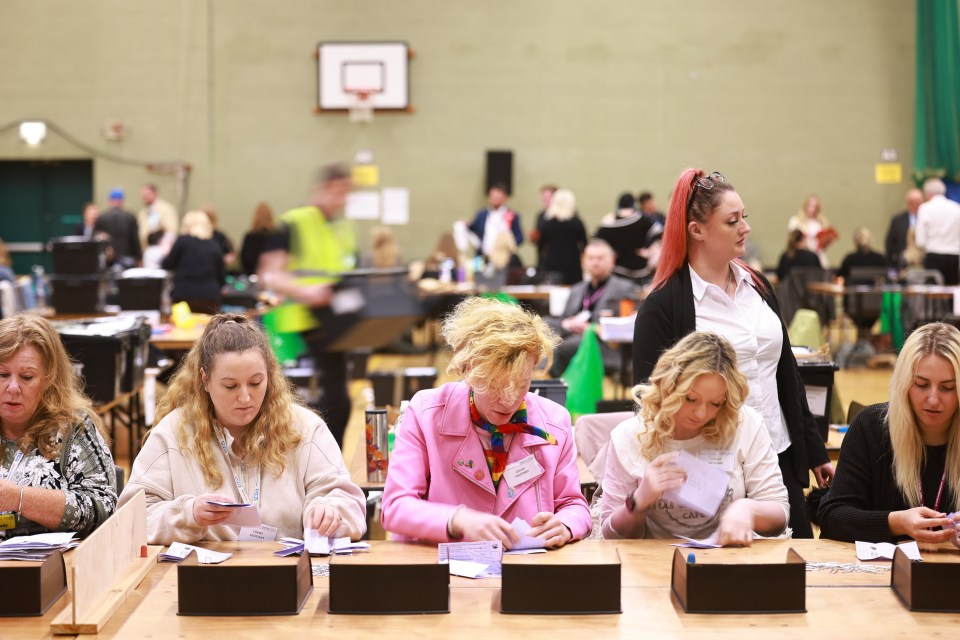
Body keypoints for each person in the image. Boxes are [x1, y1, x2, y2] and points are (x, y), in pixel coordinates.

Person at [633, 168, 834, 539]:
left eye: (745, 217)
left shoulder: (757, 284)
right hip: (712, 466)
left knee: (796, 564)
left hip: (779, 452)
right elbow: (649, 402)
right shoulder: (663, 306)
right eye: (732, 220)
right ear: (697, 230)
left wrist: (816, 450)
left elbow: (785, 373)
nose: (745, 227)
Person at [118, 314, 366, 545]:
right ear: (205, 380)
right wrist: (188, 514)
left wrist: (329, 511)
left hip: (288, 577)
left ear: (269, 375)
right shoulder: (173, 433)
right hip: (202, 581)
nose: (246, 397)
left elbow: (350, 506)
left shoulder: (304, 428)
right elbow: (131, 520)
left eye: (256, 383)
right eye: (230, 386)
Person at [381, 297, 591, 548]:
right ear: (466, 368)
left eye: (522, 384)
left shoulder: (555, 421)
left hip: (527, 572)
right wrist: (457, 519)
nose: (509, 400)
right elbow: (395, 507)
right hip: (441, 570)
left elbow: (574, 505)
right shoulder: (427, 413)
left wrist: (565, 525)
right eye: (494, 385)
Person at [601, 332, 789, 544]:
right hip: (653, 565)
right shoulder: (630, 436)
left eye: (715, 403)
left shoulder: (745, 424)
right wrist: (639, 501)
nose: (701, 414)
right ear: (668, 386)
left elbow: (779, 514)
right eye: (690, 399)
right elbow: (612, 535)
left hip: (730, 559)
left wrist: (749, 510)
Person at [818, 322, 960, 545]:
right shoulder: (870, 427)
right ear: (904, 383)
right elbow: (832, 517)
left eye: (948, 387)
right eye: (921, 384)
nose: (933, 400)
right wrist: (897, 523)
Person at [258, 163, 357, 447]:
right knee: (306, 406)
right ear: (324, 189)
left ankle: (328, 466)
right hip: (298, 330)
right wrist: (306, 291)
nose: (343, 200)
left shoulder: (340, 227)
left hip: (333, 327)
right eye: (339, 192)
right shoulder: (295, 222)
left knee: (339, 403)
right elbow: (270, 273)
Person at [0, 314, 117, 538]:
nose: (13, 387)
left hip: (53, 568)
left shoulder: (74, 427)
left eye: (26, 377)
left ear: (49, 380)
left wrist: (19, 498)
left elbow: (104, 508)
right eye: (2, 374)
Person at [548, 239, 636, 377]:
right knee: (544, 335)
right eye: (591, 258)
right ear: (584, 262)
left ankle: (554, 390)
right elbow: (563, 318)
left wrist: (591, 328)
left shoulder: (624, 289)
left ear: (612, 261)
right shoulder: (577, 289)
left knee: (563, 348)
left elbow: (628, 325)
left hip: (604, 345)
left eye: (600, 258)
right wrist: (567, 324)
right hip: (571, 336)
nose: (595, 262)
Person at [161, 210, 225, 315]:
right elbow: (221, 278)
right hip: (210, 297)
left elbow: (167, 264)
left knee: (182, 330)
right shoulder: (214, 246)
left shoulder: (182, 241)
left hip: (183, 295)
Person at [596, 192, 662, 284]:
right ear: (634, 204)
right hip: (640, 270)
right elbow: (660, 234)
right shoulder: (642, 219)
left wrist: (611, 254)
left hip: (618, 272)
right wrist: (649, 252)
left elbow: (596, 242)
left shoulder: (609, 224)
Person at [536, 188, 587, 285]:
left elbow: (540, 246)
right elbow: (584, 244)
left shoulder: (547, 223)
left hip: (552, 265)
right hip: (572, 265)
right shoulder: (577, 223)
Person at [915, 178, 960, 286]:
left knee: (932, 295)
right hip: (953, 257)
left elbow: (920, 241)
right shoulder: (956, 208)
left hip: (933, 256)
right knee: (951, 293)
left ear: (928, 193)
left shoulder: (925, 208)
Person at [466, 184, 523, 262]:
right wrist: (466, 225)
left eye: (498, 197)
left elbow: (519, 237)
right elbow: (474, 230)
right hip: (483, 256)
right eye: (493, 196)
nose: (495, 199)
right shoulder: (482, 214)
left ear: (505, 198)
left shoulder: (511, 215)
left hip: (503, 258)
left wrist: (508, 246)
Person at [94, 188, 142, 268]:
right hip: (128, 259)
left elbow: (95, 239)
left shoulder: (101, 218)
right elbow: (135, 240)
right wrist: (139, 258)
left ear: (109, 201)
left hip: (109, 259)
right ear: (122, 202)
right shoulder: (130, 217)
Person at [787, 194, 835, 268]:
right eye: (810, 206)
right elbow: (792, 240)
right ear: (805, 206)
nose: (813, 209)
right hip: (800, 258)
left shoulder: (821, 222)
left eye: (816, 207)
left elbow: (821, 246)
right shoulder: (796, 221)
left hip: (816, 256)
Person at [885, 188, 924, 271]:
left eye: (918, 203)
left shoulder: (927, 219)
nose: (916, 206)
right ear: (908, 203)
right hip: (903, 264)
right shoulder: (897, 220)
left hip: (923, 262)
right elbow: (890, 244)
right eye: (912, 203)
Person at [138, 183, 179, 250]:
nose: (144, 197)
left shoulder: (166, 209)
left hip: (160, 250)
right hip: (146, 249)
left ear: (155, 193)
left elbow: (171, 231)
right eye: (143, 195)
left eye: (147, 194)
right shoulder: (143, 213)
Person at [239, 202, 275, 276]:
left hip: (252, 275)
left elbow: (244, 257)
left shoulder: (250, 236)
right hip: (270, 275)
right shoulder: (275, 235)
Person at [529, 184, 557, 270]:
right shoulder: (541, 216)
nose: (545, 199)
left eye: (548, 197)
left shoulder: (565, 216)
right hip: (543, 257)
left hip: (557, 256)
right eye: (544, 197)